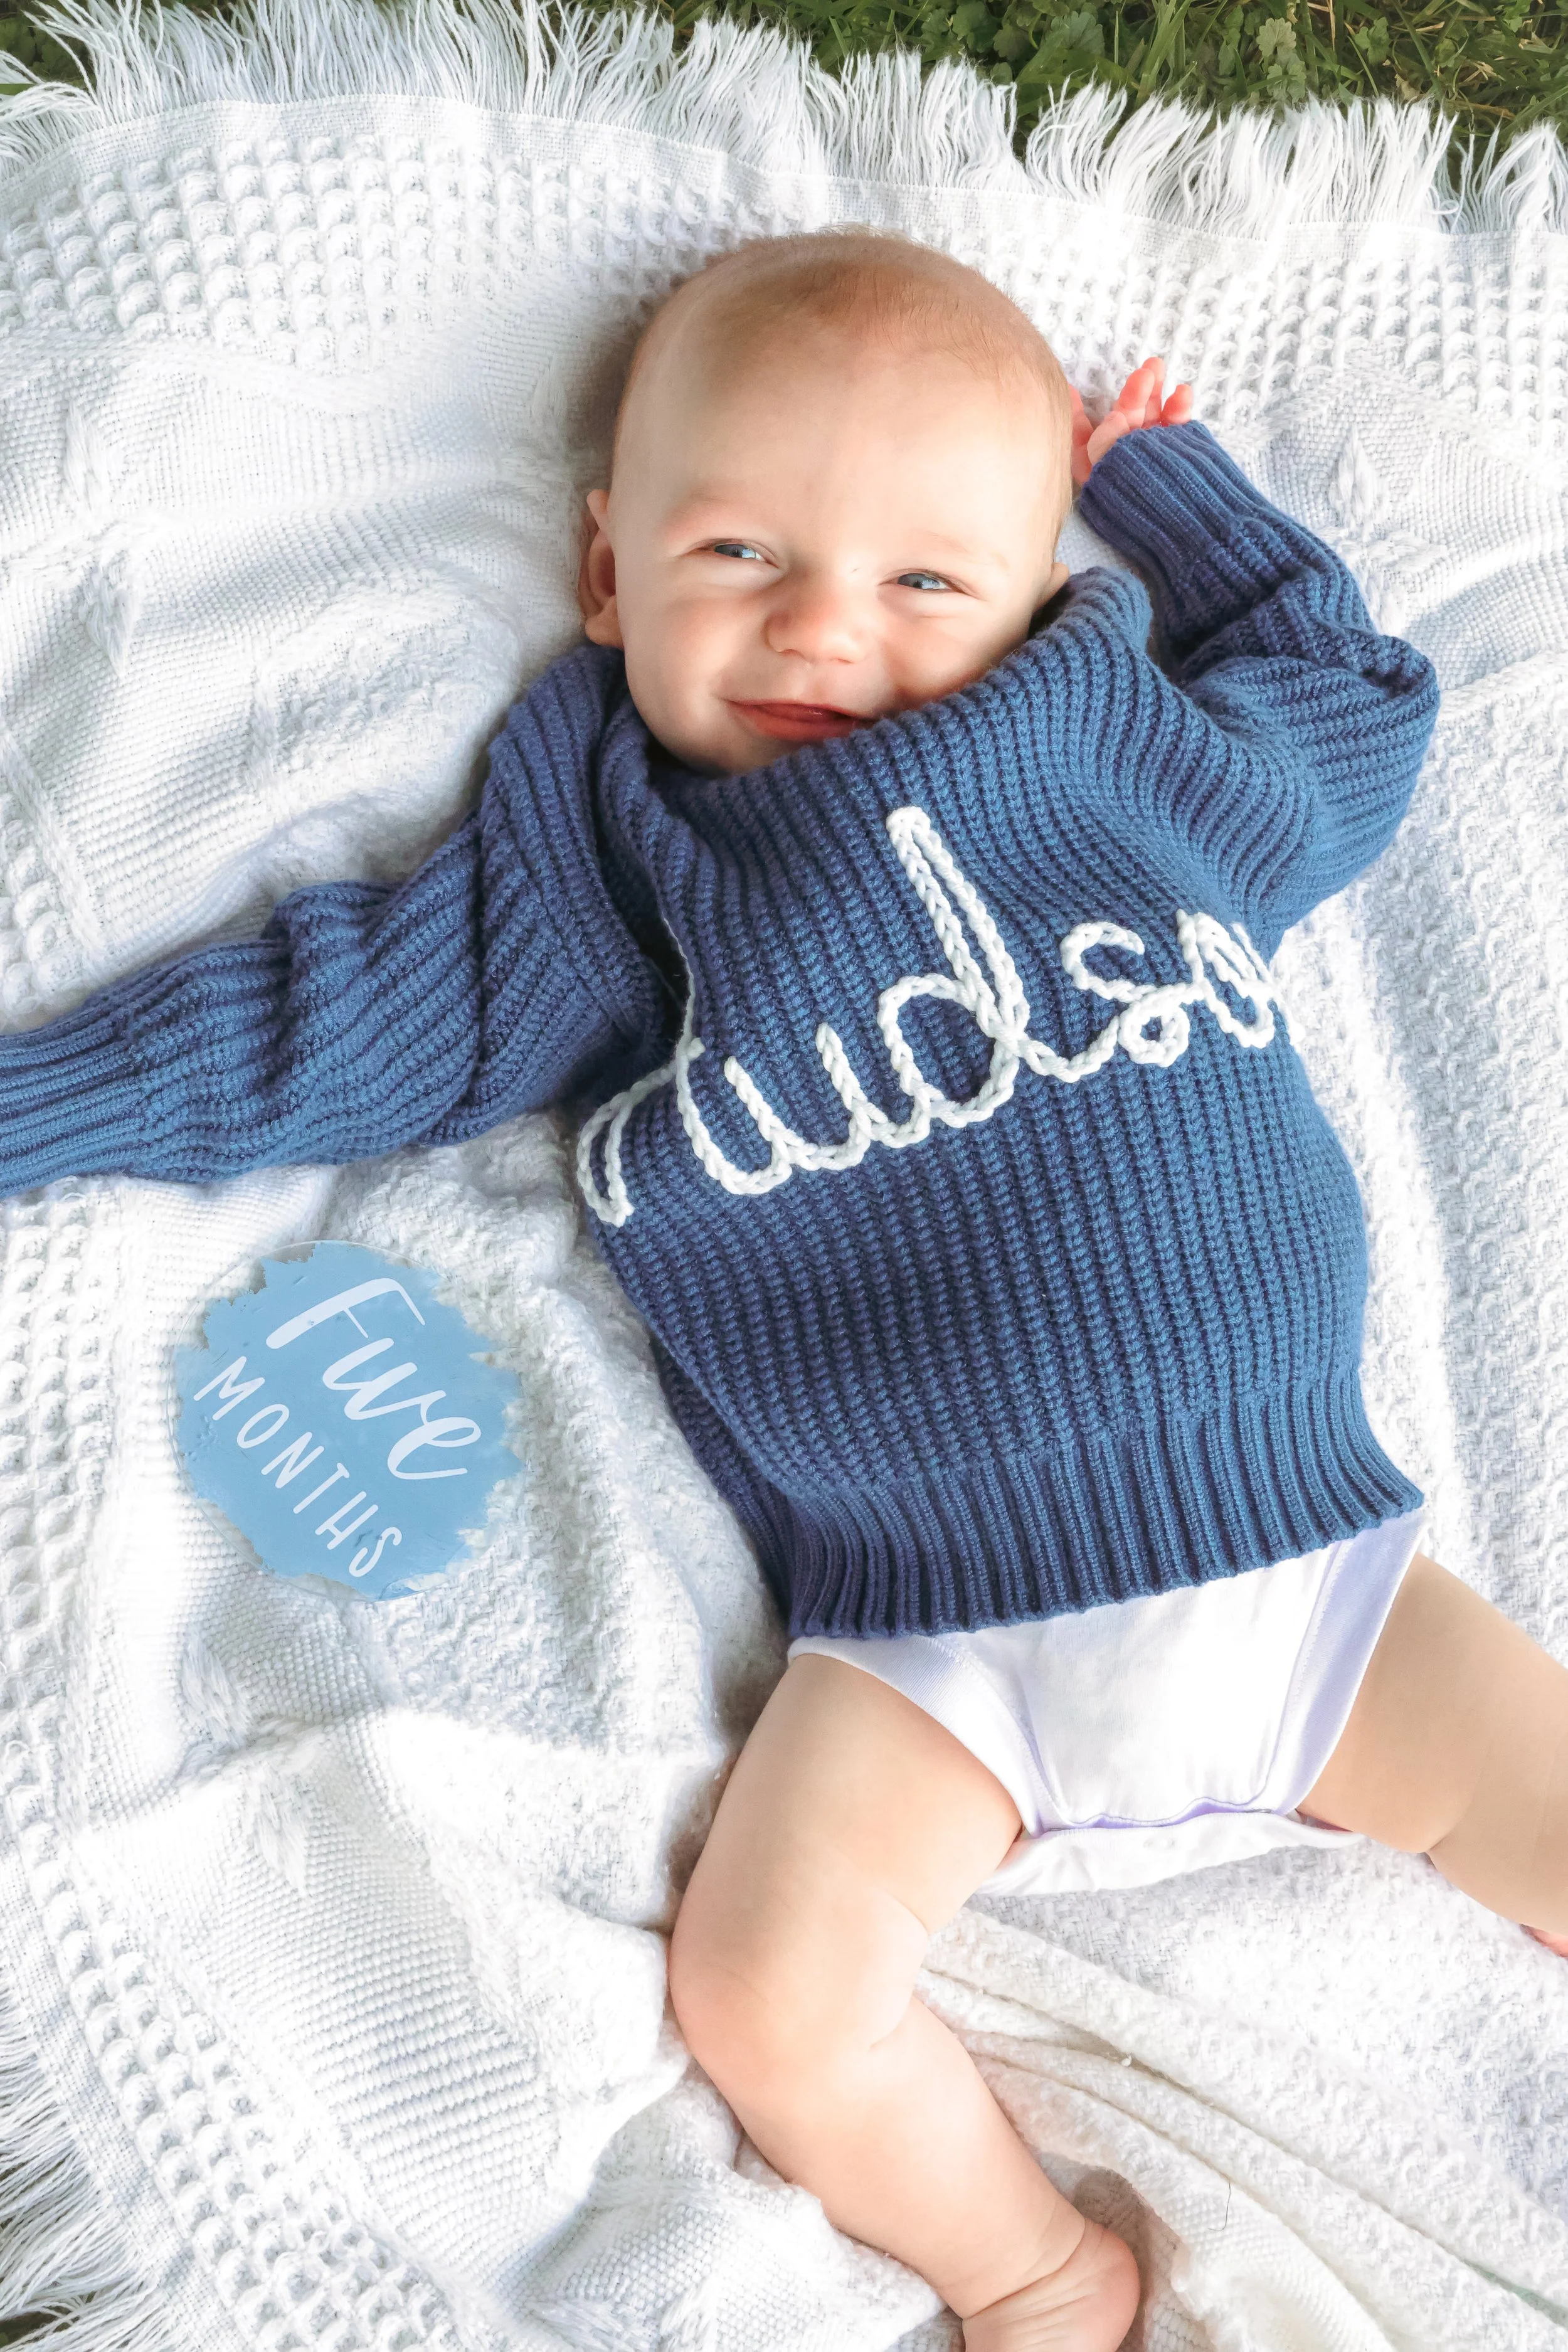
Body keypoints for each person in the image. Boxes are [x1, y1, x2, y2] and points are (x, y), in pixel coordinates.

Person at [3, 231, 1565, 2350]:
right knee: (763, 1992)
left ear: (1034, 589)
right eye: (738, 550)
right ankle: (1036, 2266)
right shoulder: (605, 872)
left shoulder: (1120, 764)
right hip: (928, 1647)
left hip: (1318, 1569)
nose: (824, 626)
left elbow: (1351, 708)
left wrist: (1176, 494)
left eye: (926, 578)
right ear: (606, 567)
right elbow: (307, 1028)